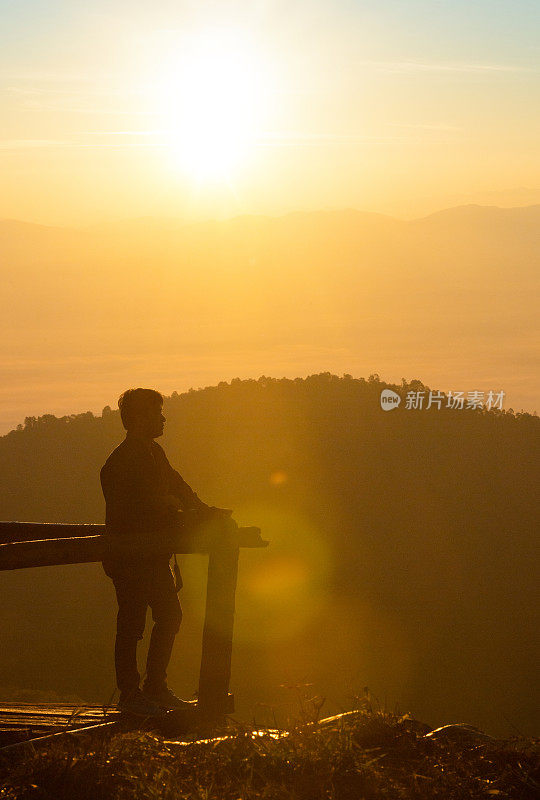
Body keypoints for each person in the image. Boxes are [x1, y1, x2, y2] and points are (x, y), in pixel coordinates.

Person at [100, 387, 232, 716]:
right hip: (130, 557)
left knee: (169, 616)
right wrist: (175, 509)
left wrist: (204, 512)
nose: (163, 418)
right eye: (157, 412)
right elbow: (138, 508)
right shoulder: (122, 461)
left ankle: (154, 688)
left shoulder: (154, 454)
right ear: (138, 417)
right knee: (132, 624)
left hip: (154, 555)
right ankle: (131, 695)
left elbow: (178, 488)